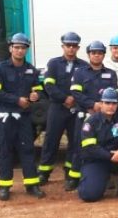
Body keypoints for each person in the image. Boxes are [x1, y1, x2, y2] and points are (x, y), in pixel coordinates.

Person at [0, 33, 46, 200]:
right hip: (5, 117)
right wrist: (17, 100)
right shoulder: (1, 69)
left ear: (26, 50)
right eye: (17, 47)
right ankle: (4, 187)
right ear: (10, 48)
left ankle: (32, 185)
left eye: (23, 48)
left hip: (24, 118)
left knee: (27, 150)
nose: (20, 51)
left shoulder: (30, 70)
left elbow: (39, 89)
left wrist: (36, 95)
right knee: (5, 151)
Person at [65, 41, 118, 191]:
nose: (96, 55)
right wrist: (92, 105)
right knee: (78, 146)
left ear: (103, 55)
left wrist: (102, 107)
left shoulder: (111, 74)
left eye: (100, 53)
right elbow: (76, 93)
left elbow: (113, 94)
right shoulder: (80, 72)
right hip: (84, 115)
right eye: (94, 53)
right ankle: (74, 177)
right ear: (88, 55)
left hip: (104, 118)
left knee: (103, 145)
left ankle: (104, 177)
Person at [38, 32, 88, 184]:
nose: (71, 49)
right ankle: (44, 172)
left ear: (78, 47)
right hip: (57, 107)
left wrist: (74, 99)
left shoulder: (84, 66)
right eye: (68, 46)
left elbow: (85, 87)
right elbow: (48, 85)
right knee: (51, 139)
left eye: (74, 46)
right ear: (63, 47)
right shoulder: (53, 64)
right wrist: (65, 98)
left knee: (75, 141)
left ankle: (70, 172)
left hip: (75, 109)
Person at [77, 88, 118, 202]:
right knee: (89, 195)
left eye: (114, 103)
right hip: (97, 160)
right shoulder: (91, 122)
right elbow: (89, 148)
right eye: (107, 103)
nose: (111, 106)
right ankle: (102, 178)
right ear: (101, 104)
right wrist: (110, 156)